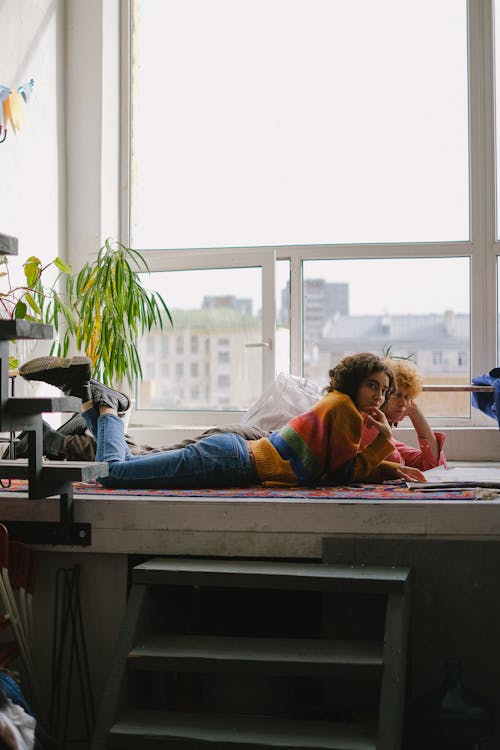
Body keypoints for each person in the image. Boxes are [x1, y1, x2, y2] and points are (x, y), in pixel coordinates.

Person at [18, 352, 427, 489]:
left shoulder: (338, 406)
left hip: (232, 455)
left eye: (383, 390)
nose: (379, 395)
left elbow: (336, 464)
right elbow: (338, 476)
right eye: (374, 386)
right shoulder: (342, 412)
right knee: (110, 473)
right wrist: (382, 444)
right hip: (232, 461)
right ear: (356, 384)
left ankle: (86, 398)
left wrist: (391, 466)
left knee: (118, 466)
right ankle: (109, 407)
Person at [360, 357, 447, 470]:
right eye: (397, 395)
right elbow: (396, 463)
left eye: (408, 397)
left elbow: (436, 466)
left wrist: (416, 413)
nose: (403, 403)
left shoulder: (385, 429)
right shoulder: (369, 421)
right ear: (382, 393)